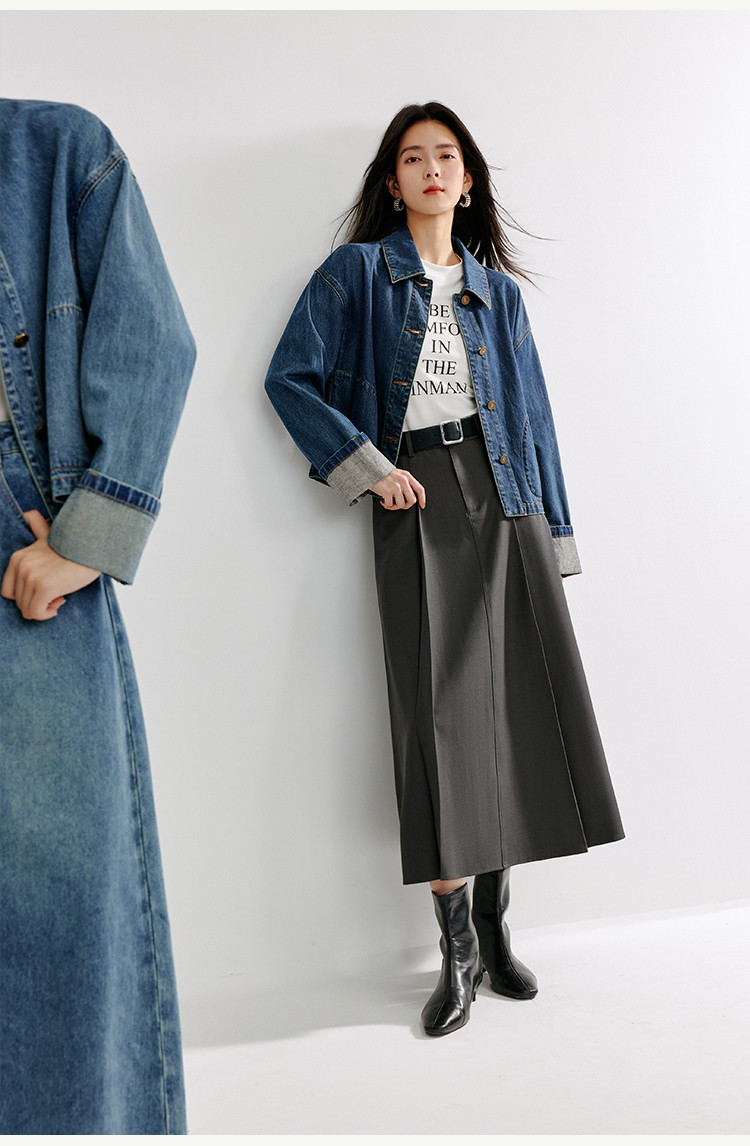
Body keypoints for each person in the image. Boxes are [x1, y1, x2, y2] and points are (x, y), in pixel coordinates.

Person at [265, 102, 624, 1038]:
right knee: (438, 718)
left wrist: (555, 531)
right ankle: (456, 950)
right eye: (413, 158)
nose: (432, 169)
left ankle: (498, 934)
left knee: (518, 706)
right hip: (417, 498)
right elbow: (289, 378)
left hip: (508, 496)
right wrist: (368, 469)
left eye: (447, 156)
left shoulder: (497, 294)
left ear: (468, 182)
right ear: (393, 182)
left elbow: (534, 416)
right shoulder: (356, 274)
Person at [0, 100, 195, 1132]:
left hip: (20, 556)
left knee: (54, 909)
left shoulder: (54, 150)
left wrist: (93, 529)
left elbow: (152, 338)